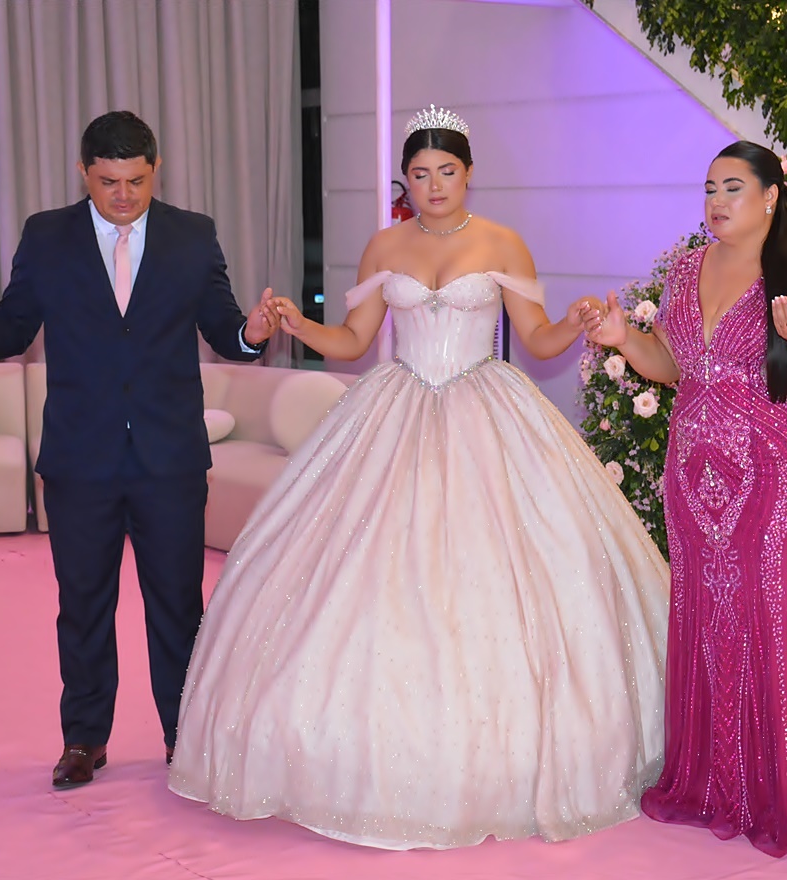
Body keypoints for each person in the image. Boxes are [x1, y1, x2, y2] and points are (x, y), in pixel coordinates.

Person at [168, 105, 672, 849]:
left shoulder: (501, 242)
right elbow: (353, 341)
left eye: (447, 171)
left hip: (485, 407)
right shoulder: (384, 245)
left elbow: (537, 340)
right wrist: (299, 326)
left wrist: (576, 322)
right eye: (419, 173)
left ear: (468, 174)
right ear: (404, 179)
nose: (434, 185)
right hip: (396, 404)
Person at [0, 110, 283, 788]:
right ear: (84, 172)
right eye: (109, 181)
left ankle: (185, 738)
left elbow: (225, 330)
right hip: (79, 458)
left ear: (156, 170)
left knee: (178, 607)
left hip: (169, 459)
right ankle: (84, 739)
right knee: (83, 605)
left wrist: (254, 333)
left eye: (137, 181)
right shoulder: (47, 235)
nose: (124, 195)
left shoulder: (192, 234)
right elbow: (12, 329)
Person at [589, 141, 787, 857]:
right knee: (705, 614)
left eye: (733, 187)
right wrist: (625, 338)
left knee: (776, 617)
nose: (717, 201)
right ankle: (715, 785)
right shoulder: (686, 270)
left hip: (776, 473)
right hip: (693, 477)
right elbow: (675, 366)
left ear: (769, 196)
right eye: (709, 189)